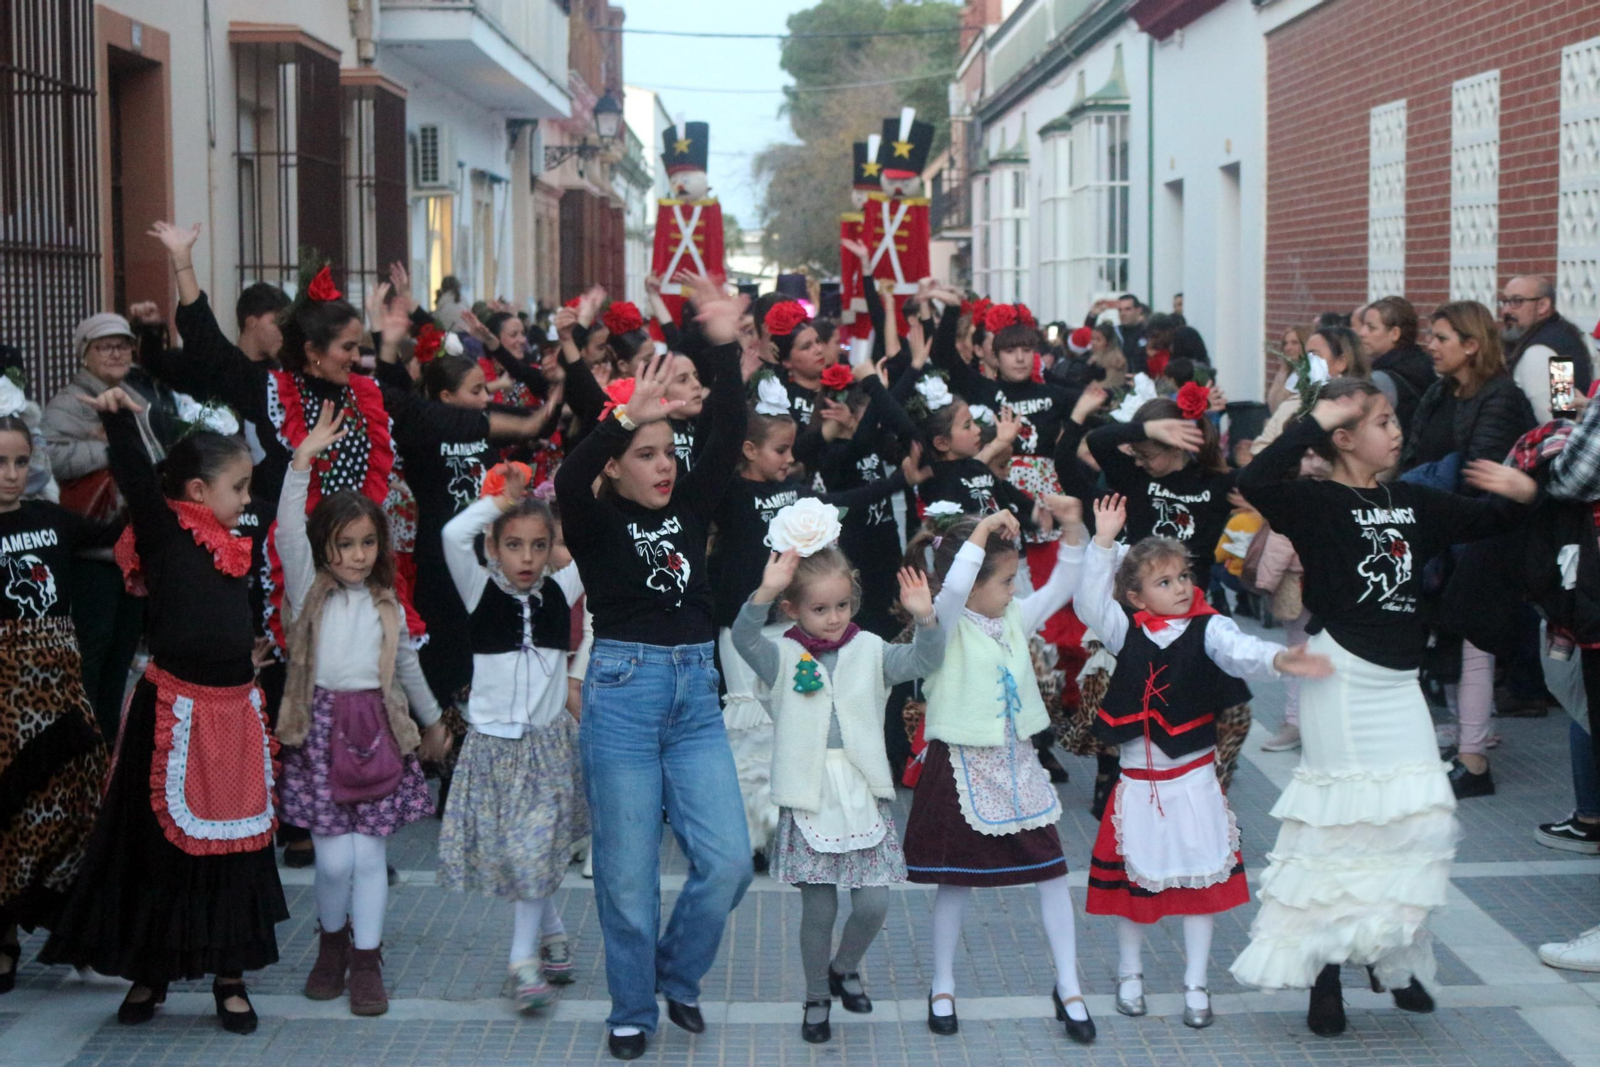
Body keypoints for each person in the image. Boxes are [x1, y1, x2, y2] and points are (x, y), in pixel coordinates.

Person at [1230, 378, 1536, 1036]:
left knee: (1412, 821)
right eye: (1381, 423)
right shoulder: (1315, 502)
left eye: (1396, 420)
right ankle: (1325, 976)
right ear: (1343, 437)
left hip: (1399, 685)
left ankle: (1391, 956)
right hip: (1340, 677)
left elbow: (1487, 522)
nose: (1397, 432)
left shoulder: (1413, 500)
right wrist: (1314, 420)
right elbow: (1256, 479)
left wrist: (1520, 494)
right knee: (1343, 829)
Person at [39, 387, 287, 1034]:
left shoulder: (235, 538)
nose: (247, 499)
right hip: (174, 708)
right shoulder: (164, 530)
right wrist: (120, 419)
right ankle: (152, 970)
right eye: (238, 487)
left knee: (235, 848)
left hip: (234, 708)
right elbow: (136, 479)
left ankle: (230, 976)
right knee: (159, 849)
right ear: (198, 491)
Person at [553, 277, 751, 1061]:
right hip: (623, 697)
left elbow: (729, 429)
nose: (664, 465)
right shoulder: (594, 517)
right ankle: (633, 1007)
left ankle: (677, 972)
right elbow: (567, 478)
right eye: (646, 454)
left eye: (669, 452)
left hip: (696, 695)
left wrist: (726, 345)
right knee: (628, 878)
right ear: (616, 465)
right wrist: (623, 417)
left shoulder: (691, 505)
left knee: (729, 862)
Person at [1078, 495, 1331, 1030]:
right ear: (1135, 596)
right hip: (1137, 784)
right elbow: (1088, 604)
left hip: (1192, 782)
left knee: (1199, 886)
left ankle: (1196, 982)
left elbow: (1242, 651)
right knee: (1132, 887)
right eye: (1164, 582)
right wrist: (1101, 543)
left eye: (1184, 576)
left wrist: (1278, 657)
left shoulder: (1209, 626)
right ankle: (1129, 973)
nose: (1180, 588)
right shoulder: (1125, 630)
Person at [730, 513, 944, 1043]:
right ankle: (815, 995)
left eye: (842, 606)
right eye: (819, 609)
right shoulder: (781, 655)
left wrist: (926, 618)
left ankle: (843, 967)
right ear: (792, 609)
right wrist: (765, 590)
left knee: (873, 903)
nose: (833, 618)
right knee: (819, 908)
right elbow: (742, 637)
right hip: (809, 794)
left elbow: (925, 660)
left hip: (862, 790)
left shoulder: (870, 649)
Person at [274, 403, 451, 1016]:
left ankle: (367, 959)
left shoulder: (387, 605)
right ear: (324, 548)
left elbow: (407, 668)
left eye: (367, 543)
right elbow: (288, 532)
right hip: (319, 732)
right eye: (344, 544)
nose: (356, 555)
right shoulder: (309, 591)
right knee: (331, 859)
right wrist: (301, 462)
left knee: (370, 854)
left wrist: (433, 721)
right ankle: (332, 945)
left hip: (375, 732)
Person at [900, 504, 1097, 1046]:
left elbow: (1062, 584)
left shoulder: (1013, 617)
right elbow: (955, 588)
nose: (1015, 589)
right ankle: (943, 985)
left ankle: (1069, 985)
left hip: (1016, 762)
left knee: (1052, 871)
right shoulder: (944, 623)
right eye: (1007, 580)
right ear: (973, 582)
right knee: (955, 878)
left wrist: (1075, 528)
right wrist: (985, 528)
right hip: (961, 763)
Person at [711, 389, 921, 872]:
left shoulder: (794, 491)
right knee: (746, 731)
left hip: (787, 625)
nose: (790, 458)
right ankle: (745, 834)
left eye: (791, 449)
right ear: (747, 450)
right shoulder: (728, 493)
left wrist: (896, 481)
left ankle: (781, 828)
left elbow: (841, 501)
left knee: (782, 727)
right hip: (743, 625)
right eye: (779, 450)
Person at [437, 464, 587, 1013]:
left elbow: (593, 545)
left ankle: (522, 963)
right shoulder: (479, 588)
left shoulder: (560, 589)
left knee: (533, 849)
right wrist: (500, 504)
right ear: (493, 548)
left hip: (546, 748)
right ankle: (552, 930)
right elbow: (452, 534)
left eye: (538, 546)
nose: (527, 557)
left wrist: (594, 494)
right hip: (494, 750)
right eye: (514, 545)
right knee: (521, 854)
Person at [0, 415, 117, 993]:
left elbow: (114, 534)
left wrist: (147, 463)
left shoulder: (50, 518)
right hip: (5, 700)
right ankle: (4, 936)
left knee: (74, 807)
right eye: (0, 462)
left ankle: (78, 934)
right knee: (10, 812)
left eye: (21, 461)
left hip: (61, 690)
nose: (11, 474)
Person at [1400, 301, 1535, 798]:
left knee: (1474, 640)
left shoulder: (1502, 397)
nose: (1431, 346)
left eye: (1441, 338)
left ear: (1472, 345)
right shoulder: (1442, 391)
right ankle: (1467, 739)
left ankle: (1474, 760)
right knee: (1450, 637)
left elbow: (1483, 477)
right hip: (1445, 531)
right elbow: (1417, 453)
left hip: (1483, 535)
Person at [41, 313, 156, 744]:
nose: (116, 353)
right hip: (91, 552)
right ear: (84, 354)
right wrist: (110, 447)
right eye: (105, 346)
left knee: (122, 654)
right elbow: (50, 459)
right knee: (92, 652)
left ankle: (108, 744)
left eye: (123, 345)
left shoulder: (135, 397)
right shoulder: (67, 403)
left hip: (130, 549)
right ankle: (81, 745)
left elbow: (153, 458)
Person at [1252, 326, 1368, 456]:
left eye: (1314, 355)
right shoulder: (1292, 404)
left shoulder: (1365, 406)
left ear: (1341, 363)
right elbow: (1258, 449)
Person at [1500, 274, 1595, 422]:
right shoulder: (1560, 335)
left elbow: (1558, 419)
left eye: (1517, 301)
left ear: (1542, 306)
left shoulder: (1541, 350)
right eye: (1504, 301)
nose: (1505, 310)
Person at [1357, 297, 1434, 433]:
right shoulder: (1425, 364)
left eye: (1371, 328)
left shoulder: (1381, 379)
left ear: (1394, 333)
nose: (1361, 333)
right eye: (1363, 325)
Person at [1115, 294, 1148, 373]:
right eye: (1120, 310)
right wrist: (1092, 316)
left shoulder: (1148, 333)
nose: (1123, 313)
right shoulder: (1114, 333)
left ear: (1138, 310)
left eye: (1127, 309)